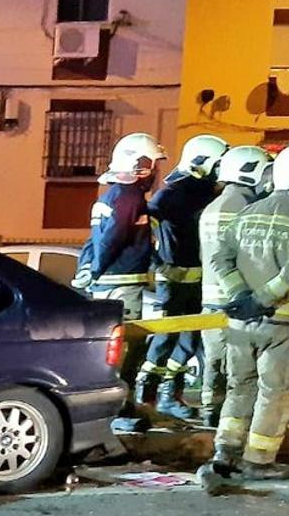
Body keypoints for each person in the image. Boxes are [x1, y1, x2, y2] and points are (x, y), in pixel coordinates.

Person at [208, 143, 289, 480]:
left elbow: (220, 257)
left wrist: (240, 295)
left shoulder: (250, 211)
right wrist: (261, 298)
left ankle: (224, 452)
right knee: (274, 392)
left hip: (240, 321)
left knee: (239, 387)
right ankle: (259, 460)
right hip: (283, 322)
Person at [72, 133, 168, 414]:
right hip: (123, 283)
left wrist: (88, 268)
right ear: (140, 165)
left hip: (109, 281)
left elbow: (95, 240)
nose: (156, 172)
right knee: (126, 346)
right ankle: (118, 406)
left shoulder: (110, 195)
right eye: (153, 164)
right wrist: (98, 267)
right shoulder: (130, 197)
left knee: (109, 345)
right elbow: (112, 238)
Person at [135, 134, 229, 419]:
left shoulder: (209, 194)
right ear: (202, 163)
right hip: (171, 282)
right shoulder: (169, 195)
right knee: (163, 340)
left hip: (197, 281)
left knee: (189, 341)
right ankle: (144, 398)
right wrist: (156, 262)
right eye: (216, 165)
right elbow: (143, 228)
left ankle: (169, 395)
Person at [198, 145, 273, 428]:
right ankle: (230, 422)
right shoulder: (243, 207)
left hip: (211, 296)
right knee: (237, 369)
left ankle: (209, 411)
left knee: (213, 361)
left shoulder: (213, 206)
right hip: (237, 298)